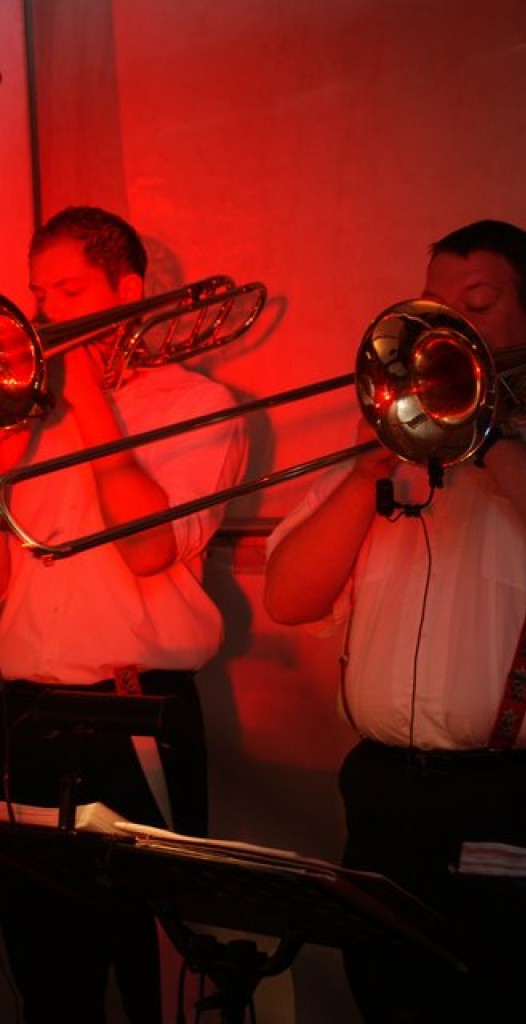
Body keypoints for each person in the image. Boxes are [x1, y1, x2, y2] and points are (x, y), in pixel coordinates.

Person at [263, 220, 526, 1023]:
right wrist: (366, 467)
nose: (449, 327)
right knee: (392, 1004)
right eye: (435, 307)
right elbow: (288, 598)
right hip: (387, 795)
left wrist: (492, 442)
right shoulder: (389, 452)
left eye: (478, 305)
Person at [0, 205, 247, 1024]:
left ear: (129, 292)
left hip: (133, 711)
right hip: (27, 715)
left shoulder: (197, 403)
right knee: (46, 973)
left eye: (69, 292)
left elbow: (146, 551)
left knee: (155, 974)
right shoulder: (27, 414)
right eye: (40, 295)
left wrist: (88, 405)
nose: (46, 315)